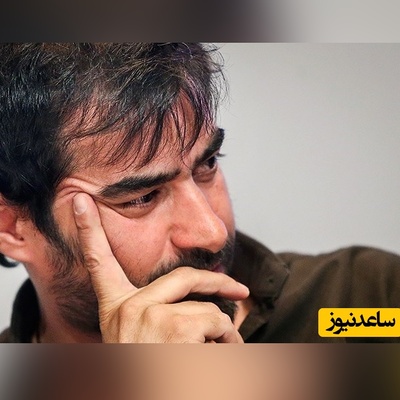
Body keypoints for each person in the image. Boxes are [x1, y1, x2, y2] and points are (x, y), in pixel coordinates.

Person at [0, 43, 399, 343]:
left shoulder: (367, 301)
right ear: (11, 228)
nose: (212, 233)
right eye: (141, 198)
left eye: (206, 165)